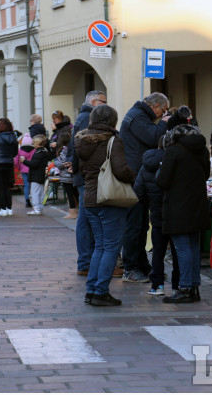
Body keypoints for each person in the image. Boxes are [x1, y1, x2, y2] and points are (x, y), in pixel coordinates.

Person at [75, 104, 135, 307]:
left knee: (99, 246)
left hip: (90, 198)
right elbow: (120, 170)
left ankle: (91, 290)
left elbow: (81, 169)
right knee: (111, 246)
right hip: (109, 198)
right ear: (112, 121)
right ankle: (100, 291)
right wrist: (132, 174)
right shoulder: (112, 140)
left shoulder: (81, 140)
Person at [156, 123, 210, 303]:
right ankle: (193, 286)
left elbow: (163, 181)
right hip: (197, 203)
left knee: (182, 247)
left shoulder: (173, 151)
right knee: (193, 245)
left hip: (178, 206)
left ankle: (185, 287)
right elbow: (205, 173)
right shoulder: (202, 150)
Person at [119, 92, 170, 283]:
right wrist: (165, 123)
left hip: (138, 176)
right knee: (134, 225)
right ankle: (130, 268)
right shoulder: (138, 117)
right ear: (156, 106)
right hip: (134, 178)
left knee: (141, 225)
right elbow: (154, 137)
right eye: (163, 111)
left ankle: (141, 265)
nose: (162, 114)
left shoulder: (138, 115)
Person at [66, 90, 107, 277]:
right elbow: (77, 146)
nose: (105, 105)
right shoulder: (87, 117)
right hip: (85, 176)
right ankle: (85, 261)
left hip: (83, 174)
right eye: (102, 101)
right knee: (85, 218)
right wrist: (76, 167)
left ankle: (86, 261)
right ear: (93, 101)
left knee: (86, 217)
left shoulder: (85, 116)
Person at [134, 136, 181, 296]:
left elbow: (138, 192)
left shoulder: (146, 165)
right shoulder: (175, 163)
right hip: (175, 215)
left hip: (156, 214)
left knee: (158, 252)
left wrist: (150, 202)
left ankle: (157, 285)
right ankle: (177, 285)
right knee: (177, 252)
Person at [21, 134, 51, 216]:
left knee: (34, 192)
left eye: (33, 143)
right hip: (41, 175)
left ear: (37, 143)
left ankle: (36, 208)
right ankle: (39, 208)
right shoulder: (45, 151)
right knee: (40, 192)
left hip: (36, 175)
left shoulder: (38, 153)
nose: (32, 144)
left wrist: (24, 161)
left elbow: (34, 164)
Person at [52, 133, 78, 219]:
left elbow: (62, 164)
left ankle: (72, 212)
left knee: (70, 195)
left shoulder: (63, 150)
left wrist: (55, 162)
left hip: (66, 177)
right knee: (76, 194)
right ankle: (81, 210)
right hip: (72, 175)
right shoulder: (72, 149)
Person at [14, 133, 35, 208]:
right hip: (32, 169)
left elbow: (16, 161)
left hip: (23, 170)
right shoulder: (34, 150)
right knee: (33, 185)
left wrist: (20, 168)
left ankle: (27, 201)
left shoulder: (19, 151)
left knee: (26, 185)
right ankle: (34, 200)